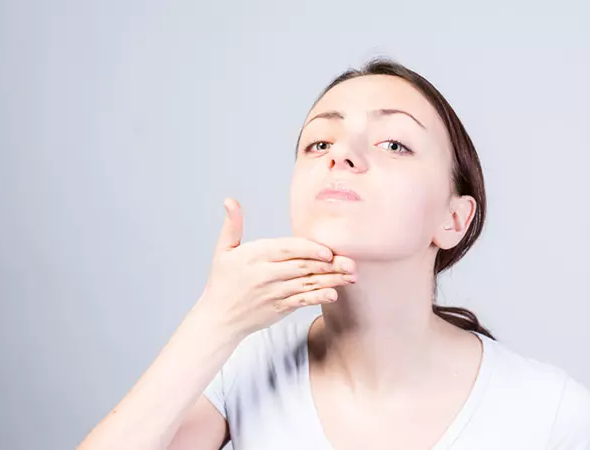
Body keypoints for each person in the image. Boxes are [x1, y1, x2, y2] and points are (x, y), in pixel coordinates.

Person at [77, 58, 590, 450]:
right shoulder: (241, 368)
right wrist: (213, 321)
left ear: (453, 220)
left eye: (394, 144)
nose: (341, 154)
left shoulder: (551, 411)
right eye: (319, 143)